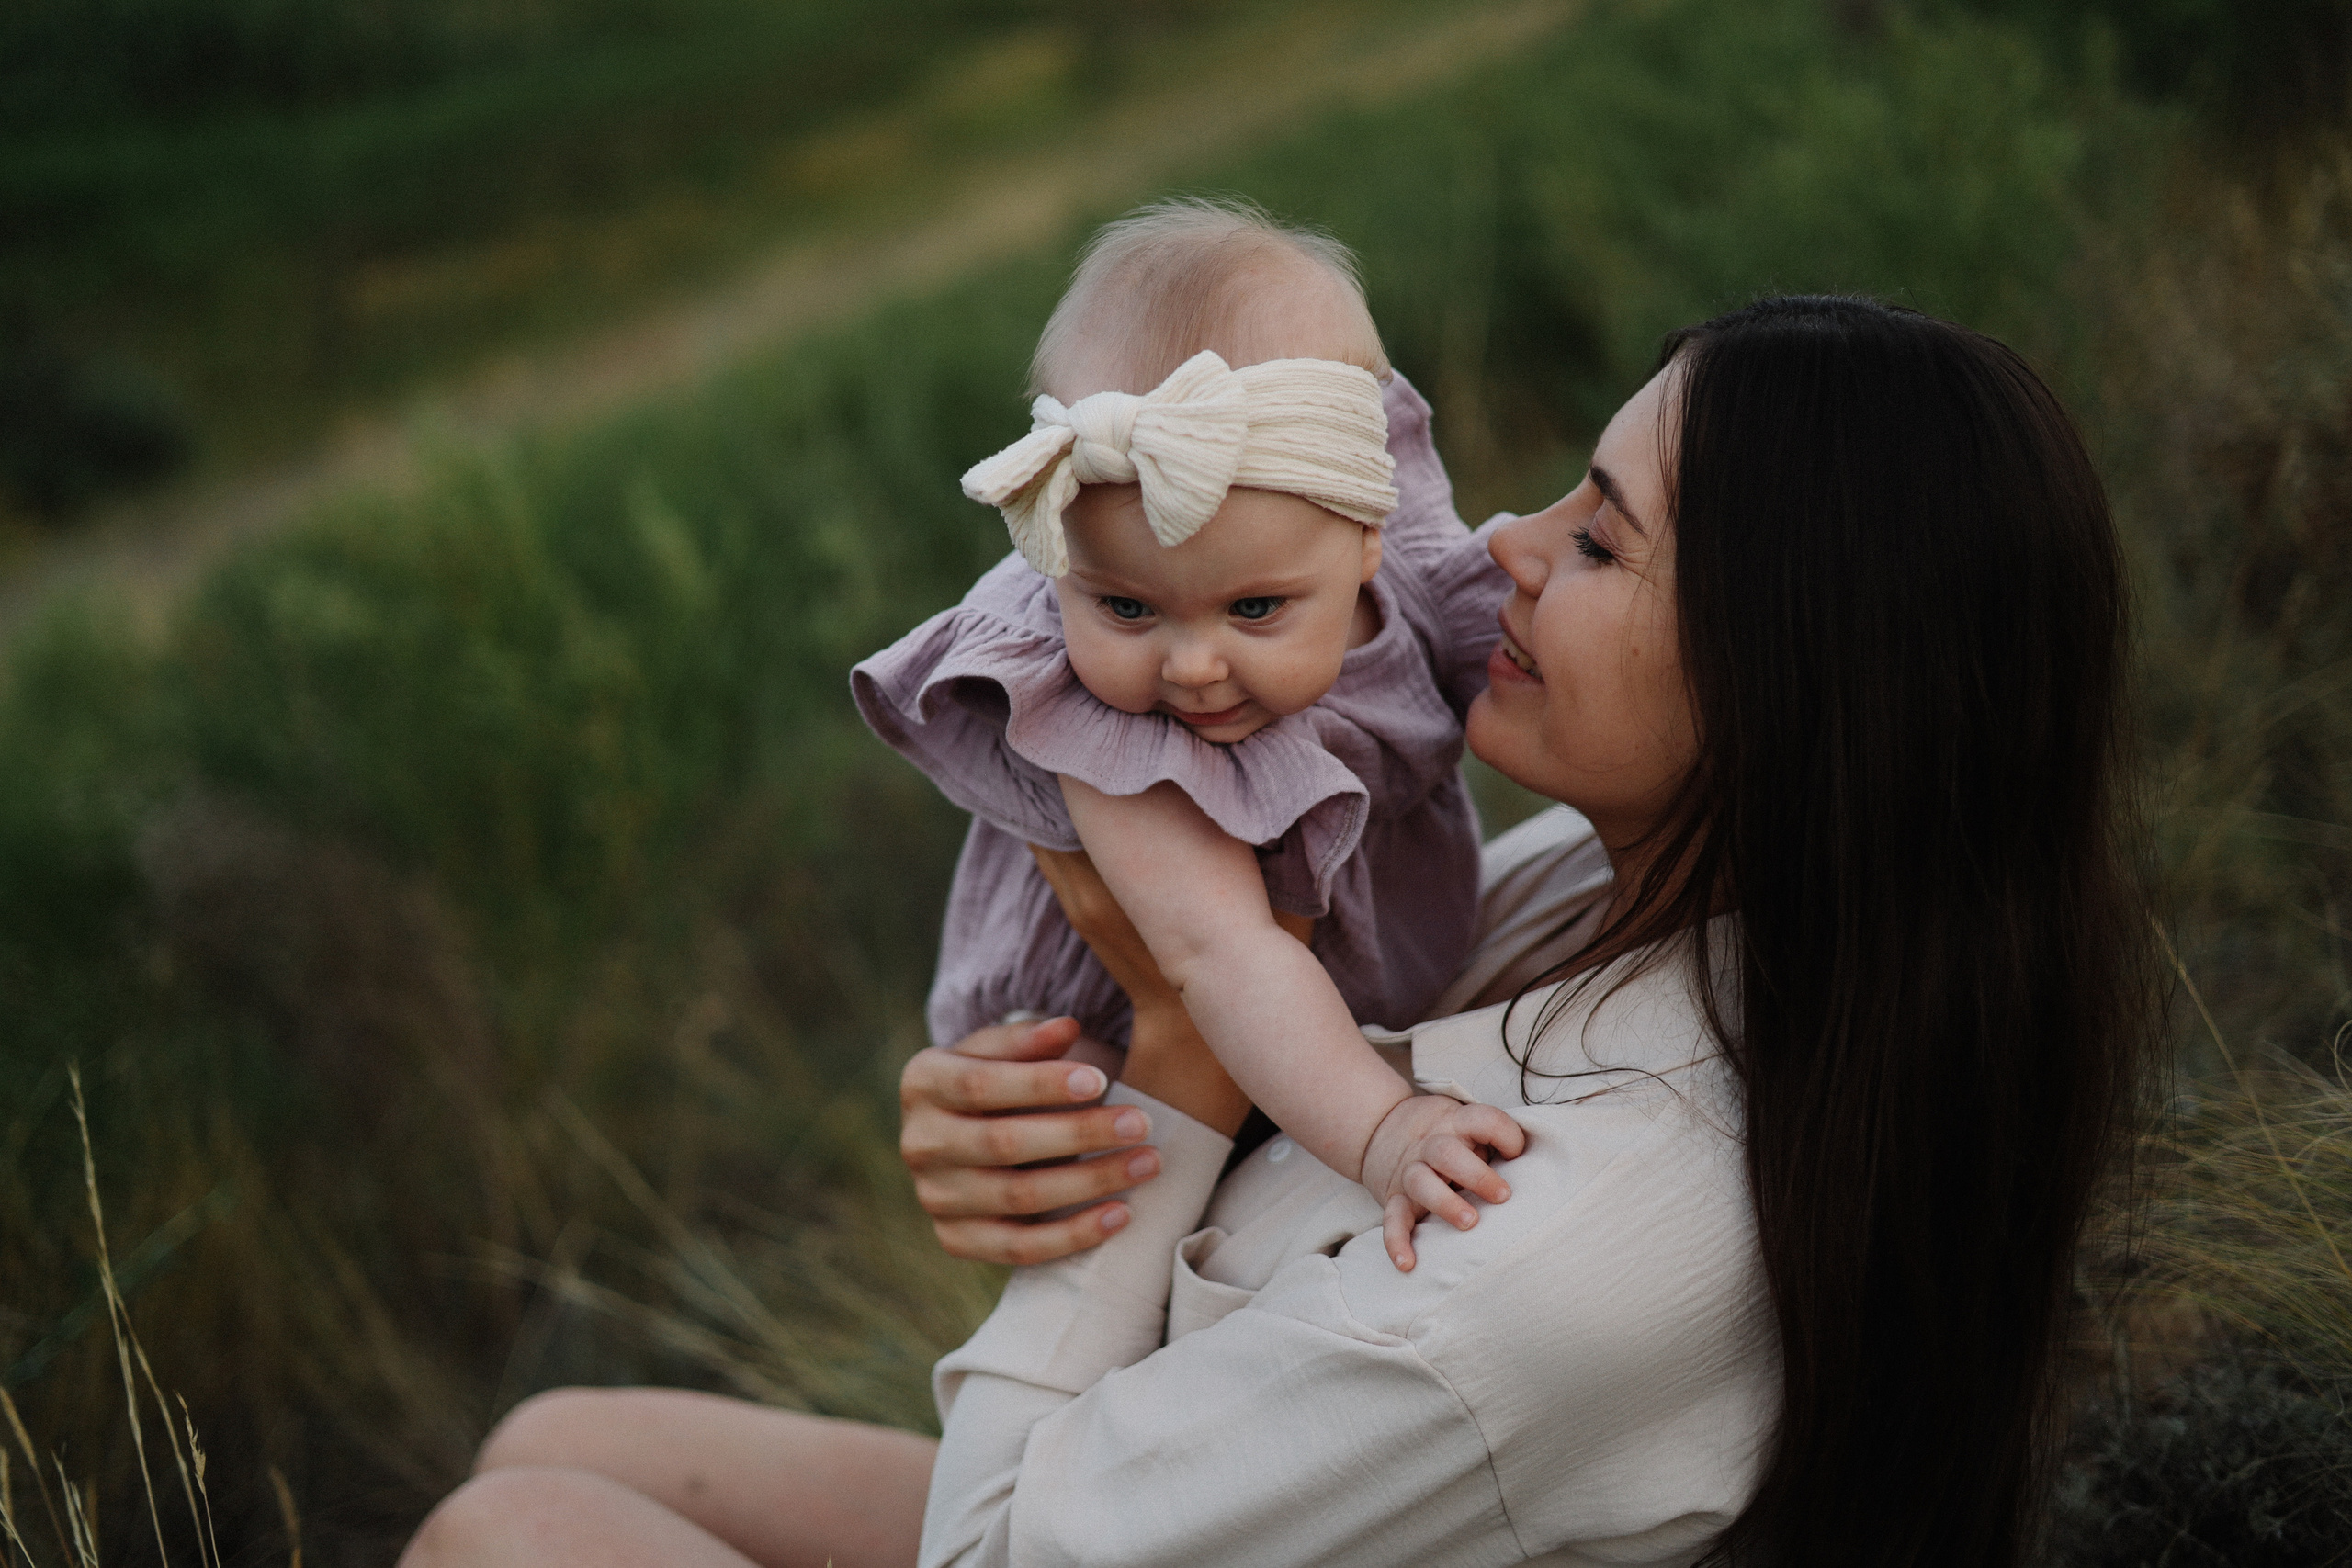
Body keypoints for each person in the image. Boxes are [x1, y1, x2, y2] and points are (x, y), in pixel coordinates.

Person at [400, 294, 2153, 1568]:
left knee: (514, 1533)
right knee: (558, 1437)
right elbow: (1269, 1132)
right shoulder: (1621, 897)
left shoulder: (1561, 1266)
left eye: (1603, 542)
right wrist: (1053, 1133)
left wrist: (1169, 1041)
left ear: (1799, 686)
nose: (1504, 548)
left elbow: (994, 1553)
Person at [853, 198, 1524, 1259]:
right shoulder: (1096, 710)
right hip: (1122, 1075)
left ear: (1365, 533)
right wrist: (1387, 1130)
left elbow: (1519, 634)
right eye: (1124, 607)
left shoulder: (1393, 549)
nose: (1192, 665)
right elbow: (1212, 957)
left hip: (1327, 1034)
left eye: (1253, 609)